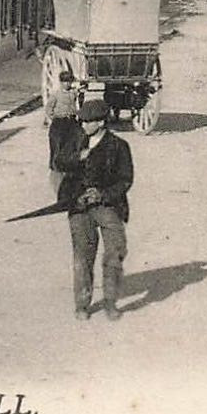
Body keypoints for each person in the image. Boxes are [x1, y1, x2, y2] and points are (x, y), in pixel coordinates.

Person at [52, 98, 133, 321]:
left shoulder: (118, 146)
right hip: (79, 206)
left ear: (100, 122)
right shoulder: (75, 140)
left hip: (108, 207)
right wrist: (78, 157)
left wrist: (103, 194)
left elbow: (126, 180)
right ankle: (82, 304)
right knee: (82, 257)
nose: (83, 125)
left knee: (115, 253)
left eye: (88, 121)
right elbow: (58, 161)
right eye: (82, 121)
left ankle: (110, 301)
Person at [46, 70, 83, 197]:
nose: (67, 84)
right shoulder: (56, 95)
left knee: (75, 143)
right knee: (58, 146)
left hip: (71, 122)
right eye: (65, 82)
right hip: (59, 123)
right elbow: (49, 109)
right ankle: (57, 171)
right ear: (61, 82)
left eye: (69, 81)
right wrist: (56, 119)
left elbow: (78, 101)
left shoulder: (73, 94)